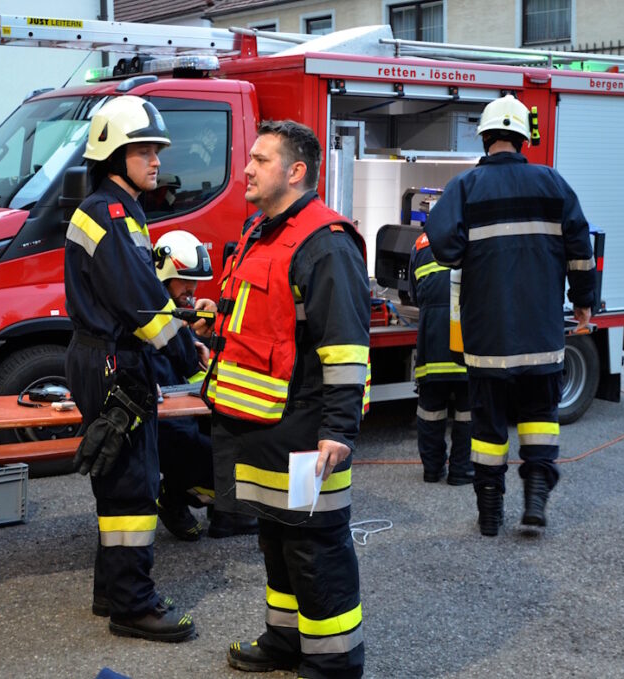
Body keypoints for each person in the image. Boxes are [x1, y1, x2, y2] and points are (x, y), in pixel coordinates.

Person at [204, 120, 369, 678]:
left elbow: (345, 347)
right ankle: (284, 640)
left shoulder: (327, 243)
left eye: (260, 160)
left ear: (296, 172)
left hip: (306, 433)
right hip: (266, 427)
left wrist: (338, 430)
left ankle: (334, 663)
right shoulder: (263, 231)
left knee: (315, 548)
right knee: (277, 540)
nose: (246, 169)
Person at [64, 94, 205, 642]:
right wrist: (187, 352)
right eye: (143, 150)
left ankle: (112, 591)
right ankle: (133, 606)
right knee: (132, 487)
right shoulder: (114, 214)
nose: (155, 160)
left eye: (156, 150)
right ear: (112, 155)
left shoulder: (110, 209)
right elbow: (143, 302)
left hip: (101, 355)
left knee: (116, 476)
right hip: (114, 360)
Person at [424, 94, 596, 537]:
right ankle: (535, 498)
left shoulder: (465, 187)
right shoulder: (553, 183)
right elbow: (581, 247)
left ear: (484, 137)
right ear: (523, 139)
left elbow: (444, 247)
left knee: (487, 427)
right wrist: (583, 299)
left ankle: (489, 515)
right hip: (541, 331)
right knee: (540, 418)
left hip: (488, 336)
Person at [149, 230, 260, 541]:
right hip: (168, 424)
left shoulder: (176, 314)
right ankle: (174, 495)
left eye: (195, 282)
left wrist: (207, 336)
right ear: (163, 275)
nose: (192, 290)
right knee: (223, 463)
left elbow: (196, 371)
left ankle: (220, 510)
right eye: (185, 281)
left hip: (192, 414)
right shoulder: (152, 316)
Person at [408, 229, 473, 486]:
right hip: (465, 339)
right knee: (468, 412)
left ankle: (432, 470)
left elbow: (415, 295)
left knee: (430, 411)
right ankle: (461, 471)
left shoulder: (421, 243)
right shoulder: (475, 234)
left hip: (432, 341)